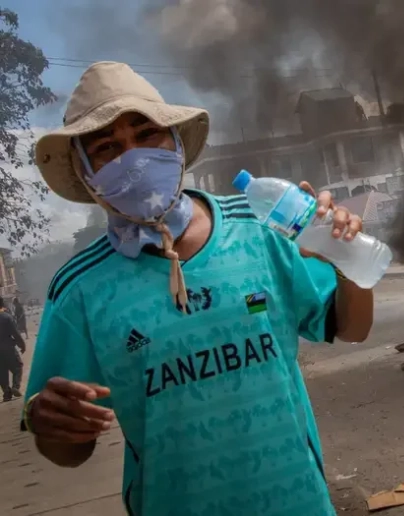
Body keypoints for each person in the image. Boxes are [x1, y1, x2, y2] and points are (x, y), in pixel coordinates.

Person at [22, 62, 375, 516]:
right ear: (86, 173)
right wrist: (51, 426)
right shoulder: (78, 289)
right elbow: (68, 450)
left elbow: (352, 327)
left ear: (175, 143)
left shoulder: (261, 225)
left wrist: (348, 259)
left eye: (146, 134)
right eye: (107, 148)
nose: (133, 156)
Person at [0, 297, 26, 402]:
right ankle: (15, 386)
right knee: (18, 366)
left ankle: (6, 393)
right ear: (2, 304)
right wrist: (22, 345)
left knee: (2, 372)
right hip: (8, 348)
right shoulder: (7, 317)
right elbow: (15, 333)